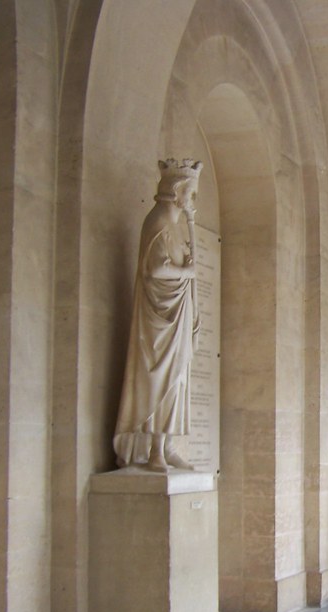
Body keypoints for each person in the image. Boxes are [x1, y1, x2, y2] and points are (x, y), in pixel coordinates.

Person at [114, 158, 203, 472]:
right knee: (159, 380)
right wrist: (186, 270)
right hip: (159, 324)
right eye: (190, 193)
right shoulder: (158, 223)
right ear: (176, 192)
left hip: (175, 318)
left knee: (177, 381)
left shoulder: (175, 228)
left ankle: (167, 445)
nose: (192, 201)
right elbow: (153, 269)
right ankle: (154, 452)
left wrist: (188, 270)